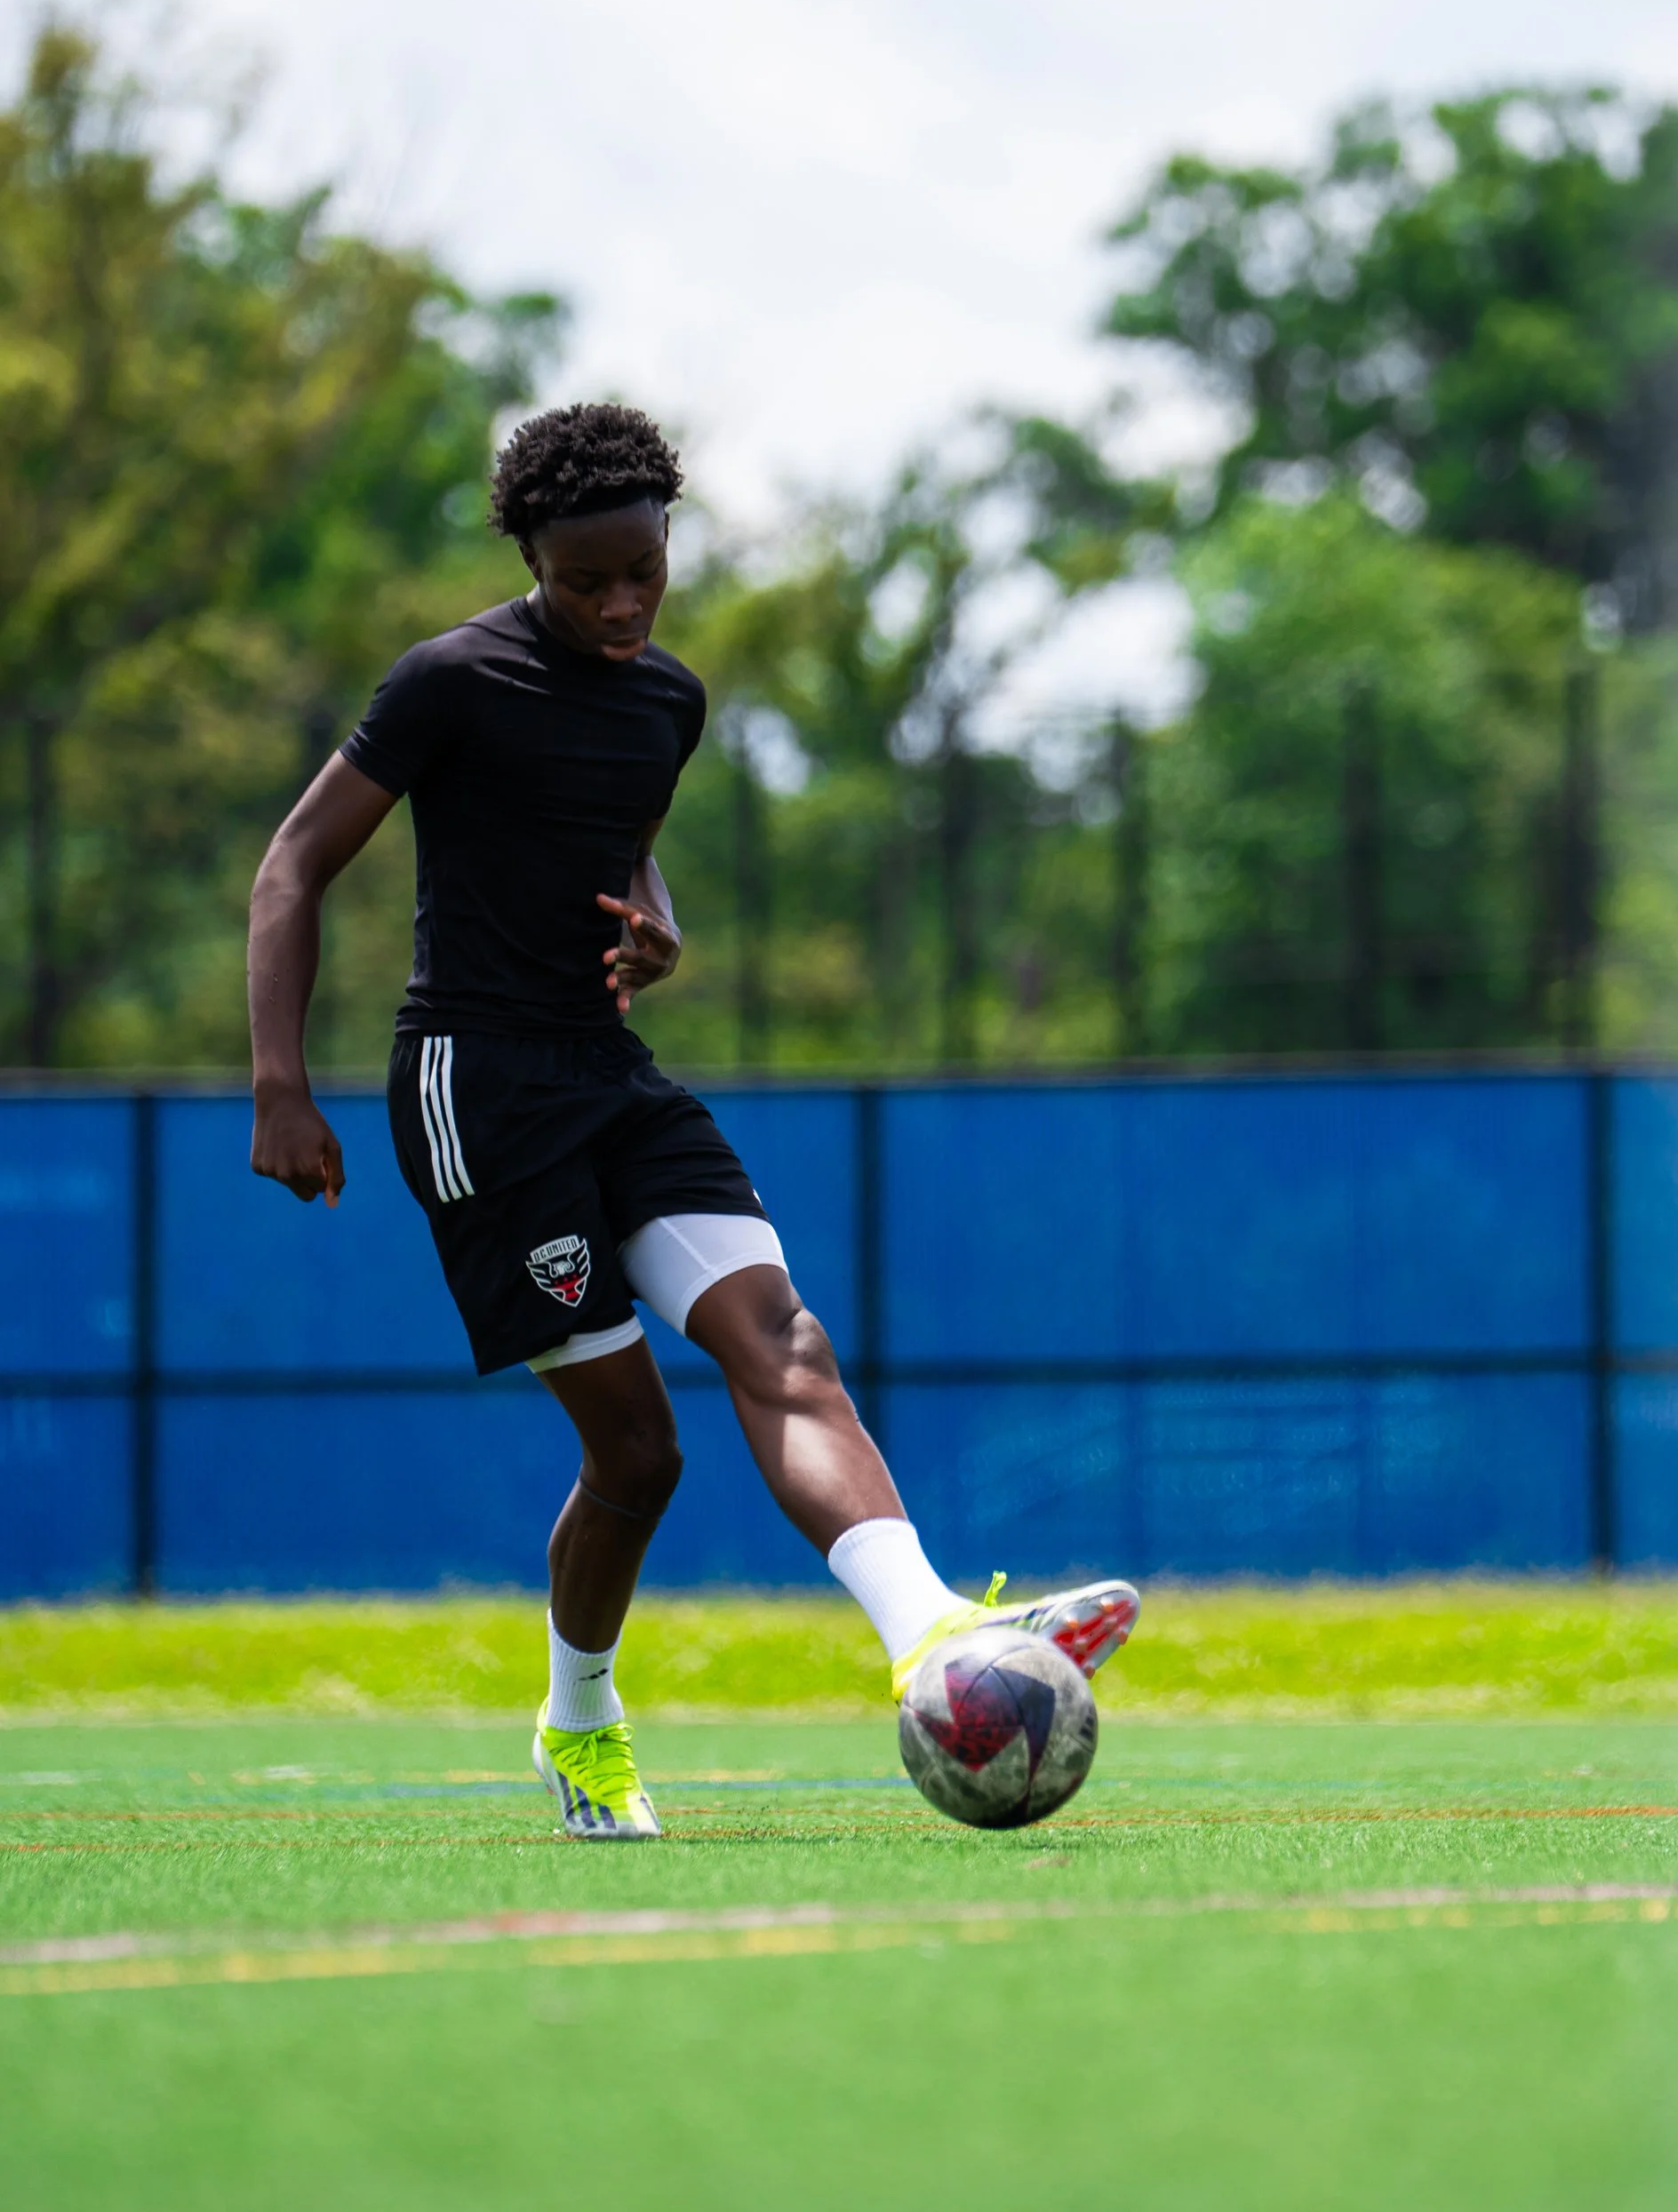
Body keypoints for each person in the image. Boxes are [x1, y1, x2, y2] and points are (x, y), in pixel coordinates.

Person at [246, 401, 1137, 1839]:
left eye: (641, 574)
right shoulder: (448, 681)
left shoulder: (671, 700)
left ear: (667, 545)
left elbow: (630, 867)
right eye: (584, 579)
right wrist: (280, 1083)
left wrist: (658, 931)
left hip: (609, 1069)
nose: (617, 603)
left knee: (785, 1341)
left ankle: (929, 1636)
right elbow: (292, 864)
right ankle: (579, 1720)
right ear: (531, 554)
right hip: (479, 1089)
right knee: (641, 1453)